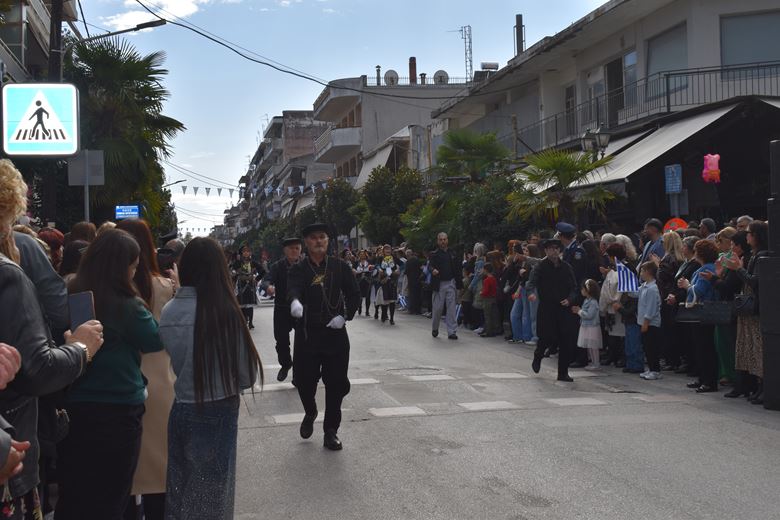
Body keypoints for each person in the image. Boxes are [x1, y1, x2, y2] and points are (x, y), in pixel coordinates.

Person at [56, 229, 163, 519]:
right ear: (121, 267)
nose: (134, 273)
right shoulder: (127, 305)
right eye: (133, 266)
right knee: (113, 495)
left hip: (76, 406)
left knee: (77, 493)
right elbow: (155, 339)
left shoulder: (71, 291)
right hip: (119, 408)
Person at [160, 237, 261, 519]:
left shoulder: (169, 311)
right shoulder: (226, 311)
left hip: (181, 407)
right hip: (219, 407)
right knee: (213, 497)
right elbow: (247, 375)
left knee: (181, 492)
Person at [116, 219, 177, 520]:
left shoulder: (109, 288)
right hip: (161, 382)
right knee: (159, 476)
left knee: (124, 477)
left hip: (123, 382)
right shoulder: (163, 285)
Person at [287, 223, 360, 450]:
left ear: (328, 241)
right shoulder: (299, 269)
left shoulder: (340, 267)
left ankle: (331, 431)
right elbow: (293, 288)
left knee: (336, 384)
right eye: (313, 237)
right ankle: (310, 411)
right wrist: (295, 302)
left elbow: (354, 294)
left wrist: (345, 316)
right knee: (303, 382)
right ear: (306, 242)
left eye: (322, 237)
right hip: (307, 335)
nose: (318, 241)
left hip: (335, 334)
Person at [726, 221, 769, 404]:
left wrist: (738, 268)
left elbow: (754, 281)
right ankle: (759, 387)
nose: (747, 236)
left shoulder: (761, 255)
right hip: (751, 308)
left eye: (749, 233)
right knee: (752, 349)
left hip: (757, 308)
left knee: (759, 350)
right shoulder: (755, 255)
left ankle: (764, 387)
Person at [527, 239, 579, 382]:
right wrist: (531, 293)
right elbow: (531, 283)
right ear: (546, 250)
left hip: (563, 308)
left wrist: (570, 299)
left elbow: (574, 287)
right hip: (547, 307)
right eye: (551, 248)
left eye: (557, 248)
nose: (554, 251)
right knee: (546, 337)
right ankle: (538, 355)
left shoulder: (566, 267)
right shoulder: (540, 266)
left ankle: (563, 373)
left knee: (565, 339)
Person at [678, 239, 719, 393]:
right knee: (700, 347)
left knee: (705, 347)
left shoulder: (706, 269)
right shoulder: (704, 268)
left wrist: (687, 286)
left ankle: (709, 381)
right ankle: (703, 378)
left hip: (704, 312)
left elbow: (699, 290)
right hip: (701, 312)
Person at [263, 237, 302, 382]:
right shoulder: (277, 266)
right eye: (291, 248)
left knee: (303, 342)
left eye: (297, 248)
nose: (294, 251)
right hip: (282, 309)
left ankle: (299, 374)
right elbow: (266, 280)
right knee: (281, 341)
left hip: (300, 309)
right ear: (285, 251)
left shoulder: (305, 265)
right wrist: (268, 286)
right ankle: (286, 364)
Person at [430, 232, 462, 340]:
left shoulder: (452, 253)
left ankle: (452, 331)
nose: (443, 241)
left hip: (451, 282)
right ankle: (435, 327)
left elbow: (458, 269)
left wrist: (459, 284)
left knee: (451, 308)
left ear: (447, 240)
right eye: (441, 240)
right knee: (438, 308)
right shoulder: (434, 254)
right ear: (438, 241)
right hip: (439, 284)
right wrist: (433, 270)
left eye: (444, 239)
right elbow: (430, 265)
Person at [600, 244, 627, 367]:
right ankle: (613, 355)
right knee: (611, 332)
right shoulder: (614, 268)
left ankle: (621, 357)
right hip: (611, 305)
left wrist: (614, 300)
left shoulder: (623, 269)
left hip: (618, 305)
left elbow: (622, 289)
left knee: (620, 333)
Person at [638, 262, 662, 380]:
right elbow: (635, 293)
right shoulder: (644, 286)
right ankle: (651, 368)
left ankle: (655, 370)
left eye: (642, 271)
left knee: (652, 347)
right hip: (644, 322)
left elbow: (651, 308)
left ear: (648, 272)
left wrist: (646, 322)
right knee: (647, 347)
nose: (641, 274)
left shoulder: (652, 288)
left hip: (651, 323)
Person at [571, 279, 601, 369]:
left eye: (583, 289)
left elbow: (590, 315)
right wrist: (579, 311)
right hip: (586, 326)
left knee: (593, 346)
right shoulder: (586, 300)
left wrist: (579, 311)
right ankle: (592, 362)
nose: (581, 291)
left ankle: (596, 363)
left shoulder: (593, 302)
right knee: (589, 346)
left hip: (592, 327)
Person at [232, 244, 263, 329]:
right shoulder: (237, 263)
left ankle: (251, 322)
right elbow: (232, 271)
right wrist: (235, 275)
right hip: (240, 285)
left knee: (250, 305)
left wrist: (257, 279)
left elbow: (263, 271)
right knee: (242, 304)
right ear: (241, 253)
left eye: (248, 251)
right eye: (244, 251)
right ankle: (244, 320)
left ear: (250, 253)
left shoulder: (253, 263)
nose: (246, 253)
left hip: (250, 286)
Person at [479, 263, 499, 337]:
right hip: (493, 298)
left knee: (487, 315)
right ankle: (494, 330)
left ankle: (488, 331)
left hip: (487, 299)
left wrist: (481, 293)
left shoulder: (486, 280)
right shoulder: (493, 279)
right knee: (493, 315)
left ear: (486, 270)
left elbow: (486, 291)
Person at [404, 249, 422, 315]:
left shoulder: (408, 261)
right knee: (417, 295)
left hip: (411, 280)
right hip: (418, 279)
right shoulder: (417, 260)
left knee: (412, 295)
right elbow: (420, 269)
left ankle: (412, 309)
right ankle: (418, 310)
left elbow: (406, 271)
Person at [354, 250, 373, 316]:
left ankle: (367, 311)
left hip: (367, 281)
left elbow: (372, 269)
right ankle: (359, 307)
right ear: (359, 255)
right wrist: (355, 271)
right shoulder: (356, 262)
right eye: (361, 254)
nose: (362, 255)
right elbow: (353, 269)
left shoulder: (369, 262)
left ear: (366, 255)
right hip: (359, 281)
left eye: (363, 254)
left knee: (368, 296)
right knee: (360, 296)